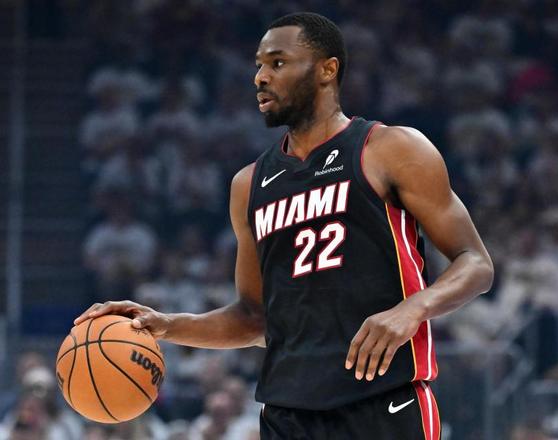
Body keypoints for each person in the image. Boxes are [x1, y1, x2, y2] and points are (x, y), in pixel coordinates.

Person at [75, 12, 493, 439]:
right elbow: (254, 318)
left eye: (277, 63)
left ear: (327, 70)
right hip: (288, 415)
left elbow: (476, 263)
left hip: (382, 401)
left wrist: (413, 308)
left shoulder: (390, 149)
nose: (260, 77)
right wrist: (167, 324)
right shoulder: (248, 185)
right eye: (259, 65)